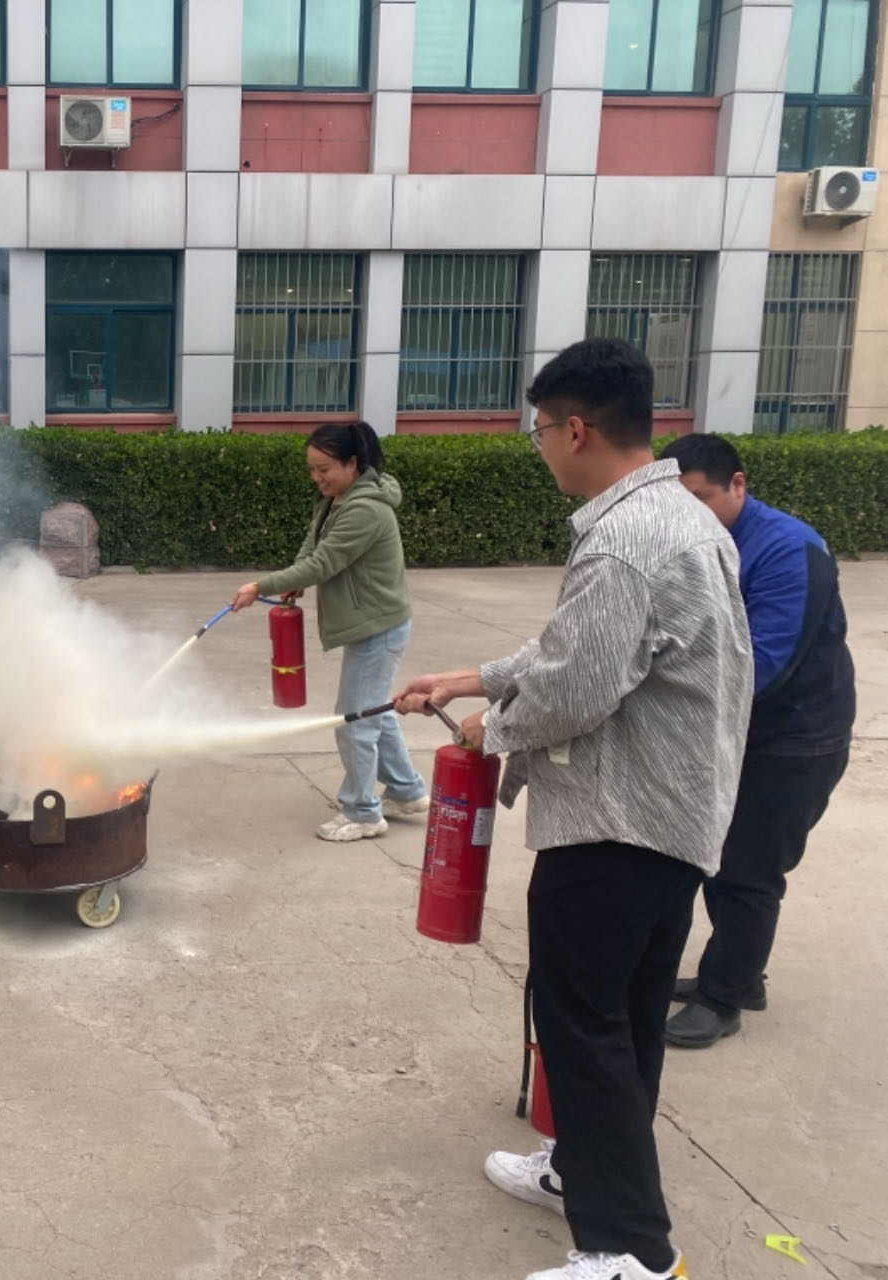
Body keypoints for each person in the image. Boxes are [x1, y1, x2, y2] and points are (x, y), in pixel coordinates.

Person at [394, 338, 752, 1280]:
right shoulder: (680, 516)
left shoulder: (624, 542)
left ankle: (630, 1250)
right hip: (670, 819)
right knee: (621, 1019)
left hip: (617, 823)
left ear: (578, 429)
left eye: (542, 431)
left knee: (584, 1024)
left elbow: (572, 690)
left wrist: (492, 726)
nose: (542, 447)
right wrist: (473, 676)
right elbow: (580, 648)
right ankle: (579, 1173)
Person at [657, 434, 855, 1049]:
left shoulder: (789, 550)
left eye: (701, 499)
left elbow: (767, 663)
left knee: (748, 871)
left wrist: (666, 704)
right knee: (717, 859)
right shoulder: (698, 542)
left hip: (796, 738)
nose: (691, 515)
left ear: (738, 485)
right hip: (739, 731)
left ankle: (722, 999)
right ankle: (741, 977)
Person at [229, 421, 428, 842]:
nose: (317, 478)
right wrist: (292, 579)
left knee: (353, 720)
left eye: (325, 469)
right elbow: (312, 549)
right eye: (312, 469)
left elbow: (324, 564)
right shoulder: (336, 500)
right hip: (371, 624)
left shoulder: (365, 509)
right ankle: (406, 791)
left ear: (352, 463)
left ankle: (363, 812)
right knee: (373, 711)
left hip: (379, 628)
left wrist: (261, 586)